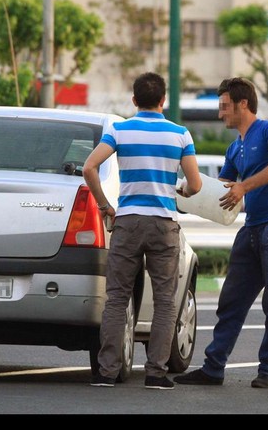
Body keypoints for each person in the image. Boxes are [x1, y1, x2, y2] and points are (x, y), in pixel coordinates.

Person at [174, 77, 268, 389]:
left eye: (225, 106)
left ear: (244, 104)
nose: (221, 114)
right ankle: (213, 368)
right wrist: (185, 195)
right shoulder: (234, 148)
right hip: (252, 229)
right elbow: (219, 191)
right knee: (230, 300)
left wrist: (245, 186)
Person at [82, 72, 202, 390]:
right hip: (164, 224)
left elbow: (88, 167)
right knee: (165, 300)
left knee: (117, 297)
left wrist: (105, 205)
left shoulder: (119, 129)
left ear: (134, 100)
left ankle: (106, 372)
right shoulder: (181, 134)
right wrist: (182, 192)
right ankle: (156, 373)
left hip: (128, 221)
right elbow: (195, 184)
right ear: (163, 100)